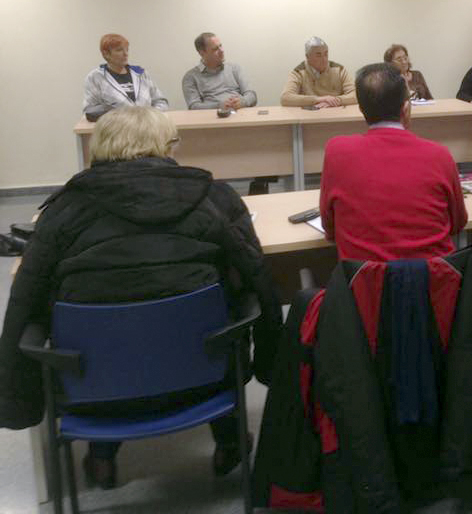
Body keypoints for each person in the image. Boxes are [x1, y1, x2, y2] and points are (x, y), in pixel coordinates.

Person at [0, 107, 282, 488]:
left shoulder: (63, 211)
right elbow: (259, 277)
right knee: (222, 312)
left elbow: (24, 302)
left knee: (106, 330)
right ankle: (230, 441)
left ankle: (102, 456)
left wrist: (17, 401)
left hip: (96, 386)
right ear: (166, 145)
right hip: (204, 376)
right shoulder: (214, 197)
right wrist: (271, 361)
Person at [320, 63, 467, 261]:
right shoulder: (440, 155)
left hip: (364, 280)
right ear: (406, 108)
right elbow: (457, 223)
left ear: (362, 110)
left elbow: (330, 227)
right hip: (435, 279)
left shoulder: (337, 151)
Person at [82, 33, 168, 121]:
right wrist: (121, 117)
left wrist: (150, 116)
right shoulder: (95, 77)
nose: (126, 54)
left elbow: (161, 102)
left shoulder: (141, 73)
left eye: (127, 50)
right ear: (106, 54)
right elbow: (90, 111)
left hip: (147, 125)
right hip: (116, 127)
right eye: (119, 50)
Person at [182, 32, 257, 110]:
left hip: (240, 113)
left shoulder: (234, 68)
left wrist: (243, 102)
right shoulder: (190, 77)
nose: (222, 50)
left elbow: (252, 95)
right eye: (215, 49)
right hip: (211, 116)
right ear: (202, 53)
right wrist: (219, 106)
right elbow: (194, 107)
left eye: (220, 46)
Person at [280, 37, 357, 108]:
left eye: (326, 54)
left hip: (336, 113)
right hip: (309, 115)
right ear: (307, 57)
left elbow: (356, 95)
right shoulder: (299, 72)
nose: (324, 59)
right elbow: (285, 98)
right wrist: (318, 99)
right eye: (318, 55)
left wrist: (336, 100)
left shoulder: (339, 70)